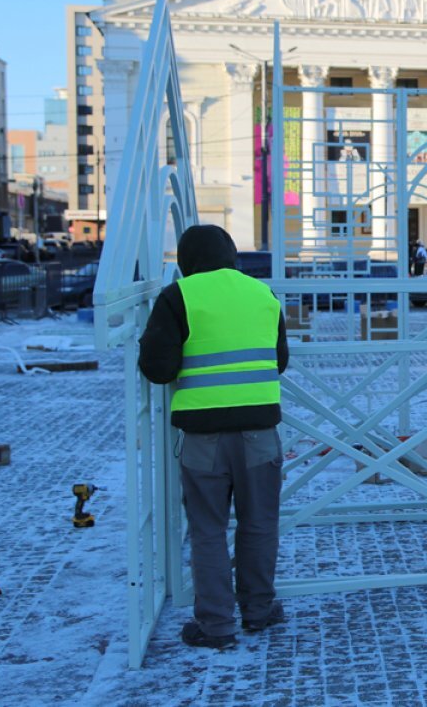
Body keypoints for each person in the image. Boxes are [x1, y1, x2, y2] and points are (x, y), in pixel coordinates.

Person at [138, 224, 289, 649]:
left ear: (186, 261)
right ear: (232, 256)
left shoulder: (178, 297)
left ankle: (217, 627)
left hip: (203, 437)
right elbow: (279, 361)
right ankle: (259, 611)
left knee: (208, 530)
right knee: (259, 524)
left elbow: (158, 368)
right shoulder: (262, 294)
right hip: (260, 434)